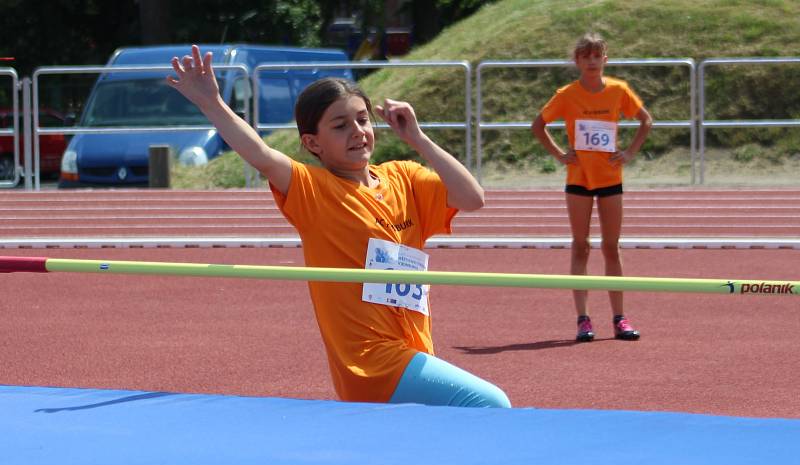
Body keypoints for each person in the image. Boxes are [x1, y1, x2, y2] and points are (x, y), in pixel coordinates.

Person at [168, 45, 511, 408]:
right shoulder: (314, 190)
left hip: (414, 349)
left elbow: (473, 198)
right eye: (341, 125)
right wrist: (212, 103)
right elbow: (261, 156)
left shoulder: (404, 177)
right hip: (371, 363)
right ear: (312, 142)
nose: (357, 132)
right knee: (490, 404)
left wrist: (418, 139)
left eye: (362, 120)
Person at [532, 33, 652, 343]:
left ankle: (619, 318)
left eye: (596, 56)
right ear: (577, 61)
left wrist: (629, 153)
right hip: (578, 179)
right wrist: (560, 154)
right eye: (585, 56)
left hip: (611, 178)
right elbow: (538, 125)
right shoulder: (567, 94)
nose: (591, 61)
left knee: (611, 246)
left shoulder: (618, 91)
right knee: (580, 245)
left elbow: (645, 121)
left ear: (605, 60)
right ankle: (583, 319)